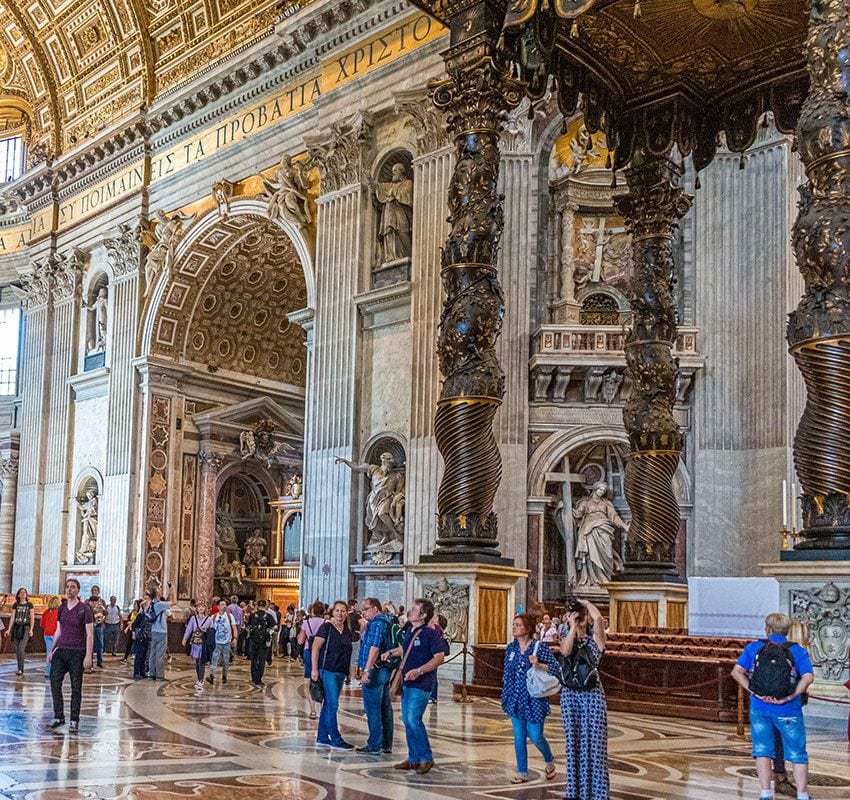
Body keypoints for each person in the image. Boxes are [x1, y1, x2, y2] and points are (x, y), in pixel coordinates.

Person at [732, 613, 814, 800]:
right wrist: (792, 695)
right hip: (789, 709)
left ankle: (765, 793)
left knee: (762, 750)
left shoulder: (755, 647)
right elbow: (808, 677)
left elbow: (736, 672)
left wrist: (754, 691)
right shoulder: (797, 651)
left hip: (760, 708)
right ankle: (802, 795)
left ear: (767, 629)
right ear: (787, 631)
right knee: (797, 753)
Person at [382, 599, 445, 774]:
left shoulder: (430, 634)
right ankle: (413, 758)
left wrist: (419, 670)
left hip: (422, 683)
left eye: (414, 609)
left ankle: (426, 757)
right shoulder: (411, 630)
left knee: (413, 720)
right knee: (407, 721)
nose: (409, 611)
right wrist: (391, 652)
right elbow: (406, 648)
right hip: (408, 683)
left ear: (423, 615)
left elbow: (439, 657)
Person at [559, 599, 609, 800]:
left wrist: (587, 604)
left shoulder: (595, 640)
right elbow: (564, 651)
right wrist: (572, 627)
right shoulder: (567, 636)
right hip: (571, 696)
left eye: (581, 618)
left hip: (592, 696)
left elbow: (597, 618)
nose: (579, 621)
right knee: (573, 744)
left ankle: (597, 793)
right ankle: (575, 792)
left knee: (594, 745)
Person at [503, 613, 558, 784]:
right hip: (515, 697)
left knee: (536, 736)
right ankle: (522, 772)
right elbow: (507, 672)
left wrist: (538, 665)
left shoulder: (538, 648)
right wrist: (506, 693)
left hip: (534, 698)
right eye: (513, 625)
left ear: (527, 629)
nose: (514, 628)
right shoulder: (511, 648)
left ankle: (549, 761)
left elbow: (556, 669)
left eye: (518, 625)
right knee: (519, 736)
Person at [47, 578, 94, 731]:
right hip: (62, 650)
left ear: (78, 590)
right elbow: (58, 630)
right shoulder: (61, 608)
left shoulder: (84, 609)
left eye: (72, 587)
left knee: (76, 687)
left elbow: (89, 634)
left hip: (77, 652)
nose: (69, 590)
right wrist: (51, 649)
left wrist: (88, 655)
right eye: (67, 587)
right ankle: (59, 716)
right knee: (54, 683)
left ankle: (74, 720)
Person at [771, 619, 811, 797]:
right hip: (788, 704)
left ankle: (778, 778)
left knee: (775, 741)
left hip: (768, 703)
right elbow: (805, 679)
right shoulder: (797, 652)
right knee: (792, 745)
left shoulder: (776, 650)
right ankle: (784, 779)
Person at [311, 600, 355, 749]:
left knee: (329, 704)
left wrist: (349, 672)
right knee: (333, 705)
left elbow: (348, 653)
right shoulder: (326, 628)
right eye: (337, 610)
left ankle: (322, 736)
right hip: (327, 669)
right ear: (332, 612)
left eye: (343, 611)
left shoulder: (347, 631)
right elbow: (316, 648)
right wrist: (314, 670)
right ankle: (336, 738)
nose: (340, 614)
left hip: (340, 671)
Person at [357, 597, 395, 754]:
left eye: (366, 609)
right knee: (385, 707)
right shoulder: (384, 621)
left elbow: (374, 647)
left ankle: (374, 745)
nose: (363, 612)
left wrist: (367, 670)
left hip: (375, 670)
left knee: (372, 708)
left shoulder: (377, 624)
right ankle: (386, 744)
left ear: (375, 608)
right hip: (383, 669)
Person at [298, 602, 327, 719]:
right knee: (323, 681)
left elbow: (300, 641)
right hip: (322, 653)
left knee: (309, 681)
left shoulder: (306, 623)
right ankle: (323, 708)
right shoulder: (326, 623)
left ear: (312, 611)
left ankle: (313, 710)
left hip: (308, 652)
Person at [146, 582, 174, 681]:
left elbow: (167, 599)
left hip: (154, 630)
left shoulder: (151, 605)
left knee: (153, 653)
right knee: (160, 654)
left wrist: (170, 591)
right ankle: (159, 675)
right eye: (159, 590)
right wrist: (173, 588)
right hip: (161, 631)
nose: (160, 590)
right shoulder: (160, 604)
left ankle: (152, 674)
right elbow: (174, 602)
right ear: (157, 594)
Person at [182, 600, 212, 690]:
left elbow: (213, 631)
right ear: (197, 608)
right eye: (199, 607)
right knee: (197, 661)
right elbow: (189, 629)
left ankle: (201, 680)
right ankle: (199, 678)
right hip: (195, 643)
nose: (201, 608)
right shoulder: (193, 618)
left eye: (203, 607)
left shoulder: (209, 619)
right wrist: (185, 638)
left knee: (201, 661)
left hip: (204, 643)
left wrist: (206, 630)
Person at [207, 602, 237, 685]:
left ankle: (224, 676)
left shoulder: (229, 616)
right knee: (214, 659)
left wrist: (235, 638)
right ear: (218, 606)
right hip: (216, 642)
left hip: (227, 642)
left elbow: (234, 627)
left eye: (225, 605)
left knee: (226, 660)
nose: (224, 606)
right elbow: (209, 628)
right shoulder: (213, 617)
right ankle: (212, 676)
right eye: (222, 605)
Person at [6, 587, 34, 675]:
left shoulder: (29, 605)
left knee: (21, 648)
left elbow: (32, 617)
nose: (23, 594)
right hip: (17, 628)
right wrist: (9, 629)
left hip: (25, 627)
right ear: (18, 595)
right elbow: (12, 617)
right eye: (21, 592)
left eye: (24, 592)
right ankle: (20, 668)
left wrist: (31, 629)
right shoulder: (15, 605)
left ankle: (21, 669)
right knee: (18, 649)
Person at [246, 600, 275, 685]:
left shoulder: (252, 615)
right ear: (266, 606)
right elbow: (274, 626)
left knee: (254, 659)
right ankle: (259, 678)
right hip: (264, 640)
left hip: (254, 640)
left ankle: (254, 677)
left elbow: (248, 626)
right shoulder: (268, 616)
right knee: (262, 659)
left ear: (257, 605)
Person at [428, 614, 450, 704]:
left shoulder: (437, 630)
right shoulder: (437, 630)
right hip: (434, 654)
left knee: (433, 675)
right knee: (432, 675)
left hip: (435, 654)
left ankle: (432, 696)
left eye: (435, 619)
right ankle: (431, 695)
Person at [86, 586, 107, 669]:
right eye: (93, 590)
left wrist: (104, 614)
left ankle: (99, 661)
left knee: (100, 644)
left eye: (96, 590)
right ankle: (89, 661)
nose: (94, 591)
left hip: (99, 625)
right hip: (91, 624)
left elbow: (106, 613)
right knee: (90, 643)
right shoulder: (88, 601)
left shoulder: (102, 601)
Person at [131, 598, 151, 679]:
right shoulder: (141, 615)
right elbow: (134, 625)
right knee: (139, 655)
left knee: (144, 655)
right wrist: (134, 634)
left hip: (146, 637)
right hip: (140, 636)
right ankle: (136, 672)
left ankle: (143, 672)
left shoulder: (148, 615)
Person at [41, 596, 60, 679]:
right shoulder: (59, 612)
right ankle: (55, 672)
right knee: (57, 655)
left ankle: (48, 672)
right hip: (56, 635)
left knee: (49, 653)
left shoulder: (46, 612)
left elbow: (42, 624)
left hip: (47, 634)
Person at [121, 600, 141, 664]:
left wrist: (129, 625)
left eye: (135, 605)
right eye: (134, 605)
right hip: (131, 629)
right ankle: (125, 657)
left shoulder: (139, 613)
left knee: (137, 645)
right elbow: (129, 619)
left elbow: (135, 621)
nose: (134, 606)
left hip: (137, 630)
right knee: (129, 644)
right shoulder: (132, 612)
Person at [226, 595, 243, 662]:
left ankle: (230, 654)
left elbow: (228, 616)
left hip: (231, 625)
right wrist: (241, 626)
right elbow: (241, 618)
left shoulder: (229, 607)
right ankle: (233, 654)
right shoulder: (240, 609)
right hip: (238, 625)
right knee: (235, 640)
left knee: (228, 639)